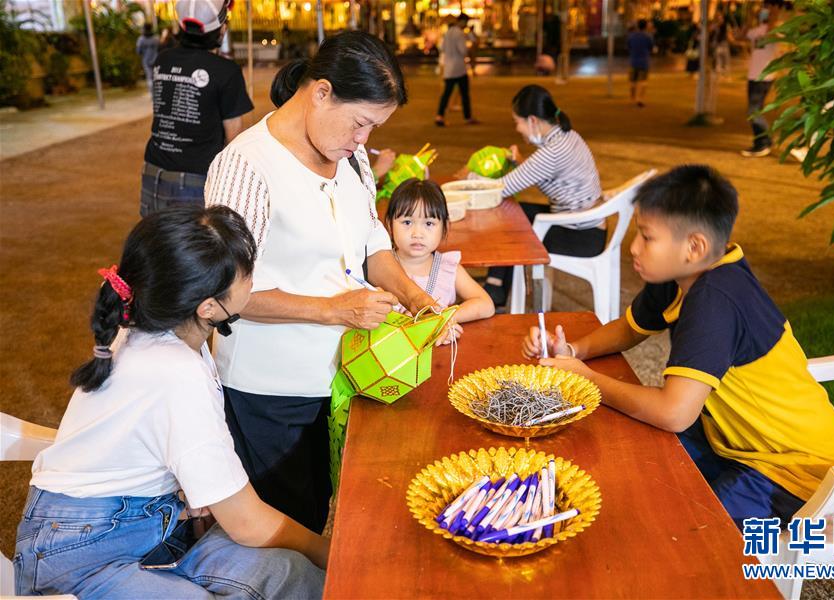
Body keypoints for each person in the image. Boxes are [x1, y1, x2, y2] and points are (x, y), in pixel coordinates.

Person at [14, 207, 328, 598]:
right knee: (297, 568)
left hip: (137, 521)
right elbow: (247, 523)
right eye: (248, 272)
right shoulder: (177, 371)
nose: (255, 277)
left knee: (291, 575)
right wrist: (330, 552)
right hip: (78, 556)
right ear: (208, 307)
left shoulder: (153, 328)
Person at [522, 165, 834, 527]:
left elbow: (674, 412)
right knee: (638, 456)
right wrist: (573, 351)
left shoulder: (714, 300)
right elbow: (631, 328)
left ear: (694, 247)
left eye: (646, 237)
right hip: (732, 439)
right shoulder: (685, 274)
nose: (633, 248)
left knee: (695, 531)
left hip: (794, 471)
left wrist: (587, 379)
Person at [205, 31, 436, 534]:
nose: (363, 139)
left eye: (373, 127)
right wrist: (335, 309)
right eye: (360, 122)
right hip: (270, 388)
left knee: (329, 501)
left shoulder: (350, 157)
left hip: (340, 374)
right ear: (322, 92)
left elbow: (371, 240)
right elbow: (223, 294)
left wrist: (417, 297)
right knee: (287, 524)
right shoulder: (246, 166)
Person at [481, 85, 603, 308]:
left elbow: (500, 189)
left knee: (507, 218)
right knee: (513, 213)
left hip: (578, 235)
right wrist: (522, 164)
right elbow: (549, 181)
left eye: (517, 122)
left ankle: (495, 288)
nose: (517, 129)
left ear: (533, 120)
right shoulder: (567, 136)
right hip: (587, 226)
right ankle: (495, 286)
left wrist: (469, 180)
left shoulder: (552, 152)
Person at [140, 0, 253, 216]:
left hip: (152, 174)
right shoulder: (226, 71)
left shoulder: (163, 60)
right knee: (197, 238)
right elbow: (235, 138)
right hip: (195, 180)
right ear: (222, 29)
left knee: (157, 237)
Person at [386, 179, 495, 340]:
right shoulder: (381, 267)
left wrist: (442, 318)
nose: (417, 233)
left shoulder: (447, 268)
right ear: (389, 225)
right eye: (407, 222)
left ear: (445, 227)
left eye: (429, 223)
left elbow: (486, 304)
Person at [741, 6, 779, 157]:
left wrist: (774, 11)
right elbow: (741, 35)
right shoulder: (756, 31)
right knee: (754, 110)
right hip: (753, 76)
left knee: (754, 111)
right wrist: (749, 15)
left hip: (764, 77)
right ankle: (763, 142)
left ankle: (763, 143)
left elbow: (771, 32)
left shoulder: (776, 31)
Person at [435, 13, 477, 127]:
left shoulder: (448, 32)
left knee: (446, 93)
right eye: (466, 23)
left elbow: (442, 48)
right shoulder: (459, 33)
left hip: (449, 68)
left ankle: (439, 116)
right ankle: (467, 117)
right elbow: (463, 51)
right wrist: (468, 49)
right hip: (459, 68)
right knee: (464, 94)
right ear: (462, 21)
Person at [626, 19, 654, 107]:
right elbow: (651, 47)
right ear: (646, 26)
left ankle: (632, 99)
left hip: (633, 61)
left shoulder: (631, 36)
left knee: (632, 81)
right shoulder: (648, 36)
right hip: (644, 61)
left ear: (637, 26)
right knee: (643, 81)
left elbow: (628, 46)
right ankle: (640, 99)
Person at [136, 22, 159, 93]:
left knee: (149, 77)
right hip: (156, 59)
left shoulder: (141, 39)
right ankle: (157, 92)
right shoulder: (156, 38)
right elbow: (160, 48)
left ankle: (152, 92)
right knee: (156, 76)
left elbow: (138, 51)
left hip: (146, 61)